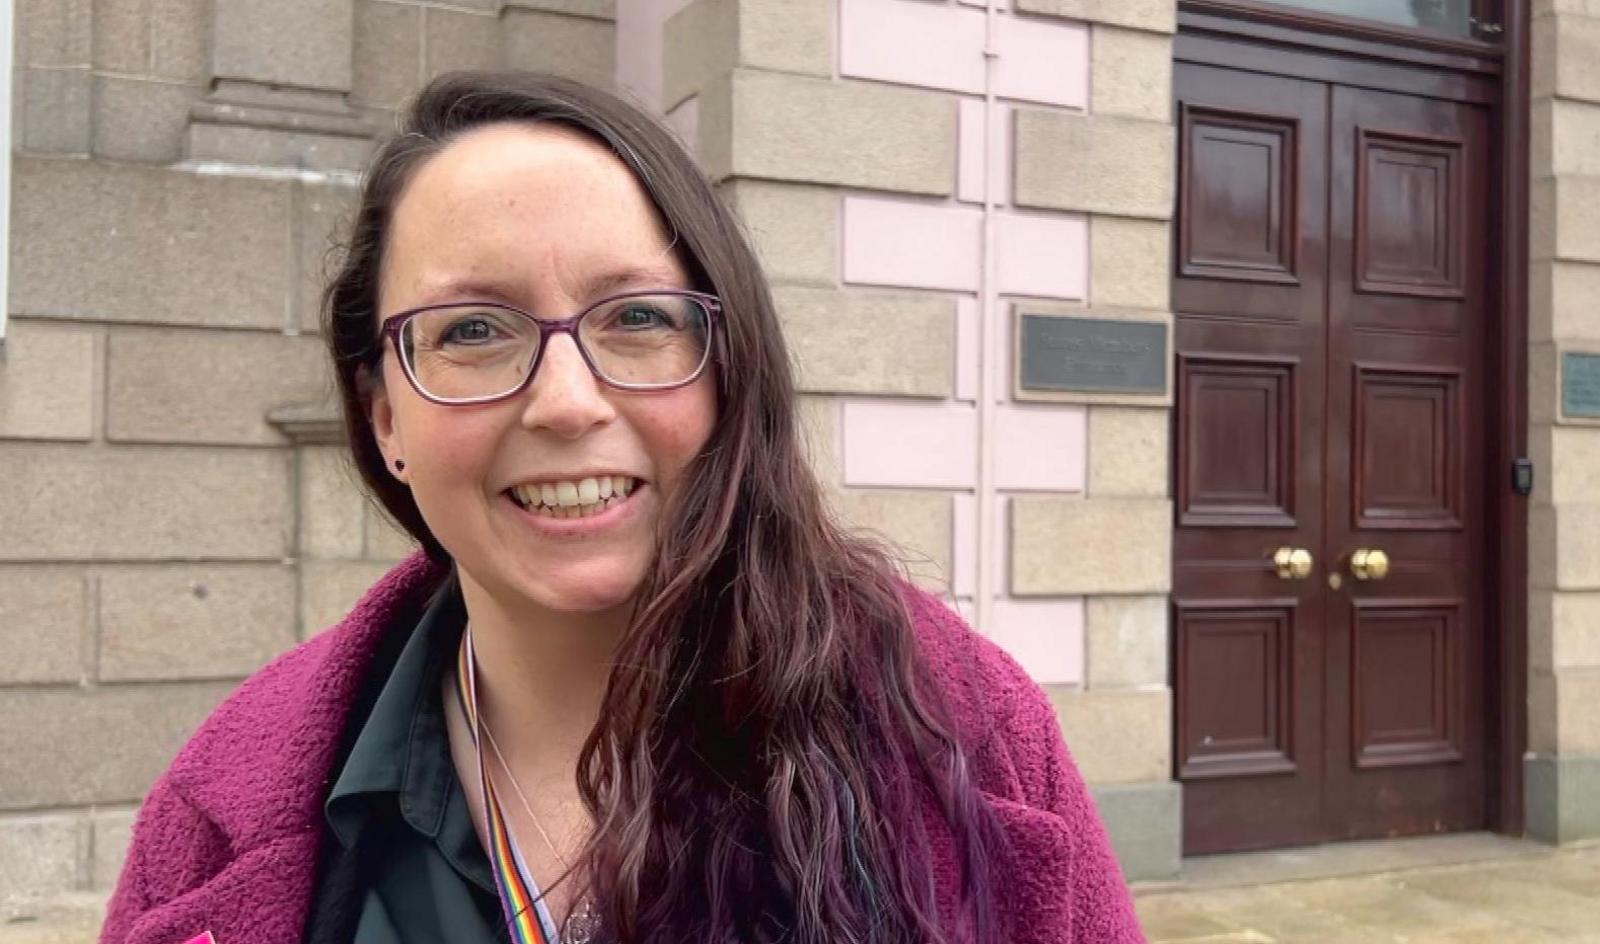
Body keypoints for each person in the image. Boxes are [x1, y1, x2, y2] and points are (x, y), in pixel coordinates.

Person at [99, 72, 1147, 944]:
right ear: (382, 417)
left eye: (638, 316)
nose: (566, 401)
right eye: (472, 330)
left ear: (727, 368)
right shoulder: (216, 817)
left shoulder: (971, 732)